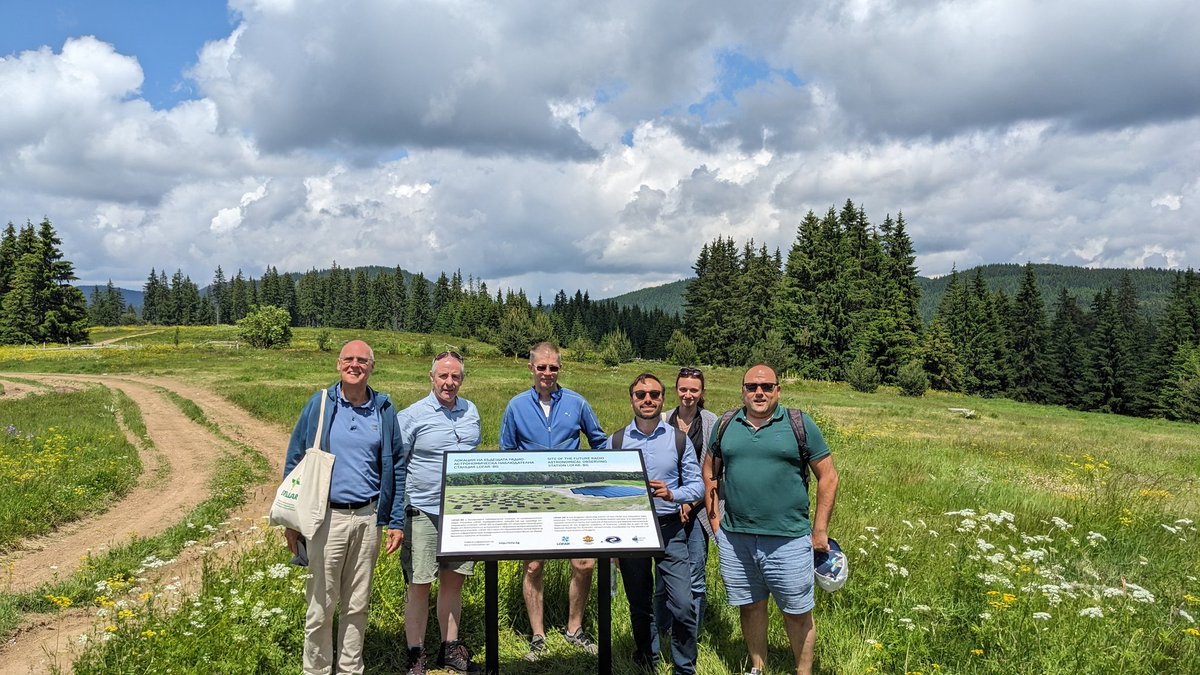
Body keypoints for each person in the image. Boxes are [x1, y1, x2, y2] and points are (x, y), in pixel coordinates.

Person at [704, 364, 839, 675]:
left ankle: (802, 672)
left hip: (789, 539)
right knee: (750, 606)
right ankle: (757, 668)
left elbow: (828, 477)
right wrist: (716, 524)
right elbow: (710, 471)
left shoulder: (798, 423)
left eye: (766, 387)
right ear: (743, 391)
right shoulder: (726, 424)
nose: (759, 392)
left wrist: (820, 532)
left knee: (797, 612)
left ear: (778, 390)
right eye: (751, 387)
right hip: (736, 539)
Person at [283, 340, 407, 675]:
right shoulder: (320, 403)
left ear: (372, 367)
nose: (355, 365)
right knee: (321, 606)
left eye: (362, 360)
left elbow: (396, 464)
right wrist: (292, 520)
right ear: (339, 365)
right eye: (349, 359)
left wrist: (396, 519)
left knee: (357, 604)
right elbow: (296, 459)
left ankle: (351, 669)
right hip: (325, 518)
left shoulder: (383, 409)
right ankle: (318, 670)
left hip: (367, 519)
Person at [498, 341, 607, 660]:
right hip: (532, 498)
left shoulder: (577, 402)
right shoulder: (516, 406)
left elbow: (599, 442)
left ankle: (574, 630)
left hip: (574, 496)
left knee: (584, 563)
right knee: (533, 566)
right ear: (530, 368)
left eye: (553, 367)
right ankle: (537, 636)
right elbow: (507, 453)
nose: (547, 373)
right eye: (541, 367)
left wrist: (596, 480)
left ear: (560, 369)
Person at [609, 373, 704, 674]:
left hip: (670, 528)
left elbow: (698, 487)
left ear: (663, 399)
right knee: (639, 602)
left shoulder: (678, 439)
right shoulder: (616, 441)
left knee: (684, 603)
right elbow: (604, 489)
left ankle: (684, 667)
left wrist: (672, 494)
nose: (647, 400)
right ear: (631, 400)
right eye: (640, 394)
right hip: (630, 530)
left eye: (653, 394)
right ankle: (646, 658)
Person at [398, 351, 482, 675]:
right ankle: (415, 656)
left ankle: (450, 649)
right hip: (424, 511)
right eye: (443, 376)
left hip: (461, 514)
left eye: (455, 377)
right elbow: (396, 464)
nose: (449, 382)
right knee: (419, 584)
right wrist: (396, 516)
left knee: (454, 582)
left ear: (462, 379)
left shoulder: (471, 411)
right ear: (431, 377)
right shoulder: (412, 416)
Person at [656, 367, 718, 644]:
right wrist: (673, 500)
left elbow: (714, 471)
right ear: (676, 390)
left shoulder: (711, 423)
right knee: (663, 577)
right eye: (683, 389)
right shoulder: (663, 419)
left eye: (694, 390)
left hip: (699, 509)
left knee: (695, 575)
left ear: (702, 392)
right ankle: (661, 630)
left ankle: (691, 634)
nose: (688, 395)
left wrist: (688, 503)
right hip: (666, 510)